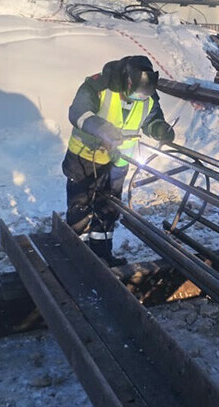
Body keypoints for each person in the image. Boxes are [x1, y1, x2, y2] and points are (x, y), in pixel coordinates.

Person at [62, 55, 175, 266]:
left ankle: (102, 255)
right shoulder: (98, 86)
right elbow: (77, 112)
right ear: (126, 80)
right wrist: (99, 128)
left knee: (108, 209)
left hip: (118, 162)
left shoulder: (148, 95)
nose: (135, 101)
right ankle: (80, 259)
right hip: (85, 158)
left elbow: (151, 120)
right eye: (131, 95)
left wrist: (160, 129)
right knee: (80, 209)